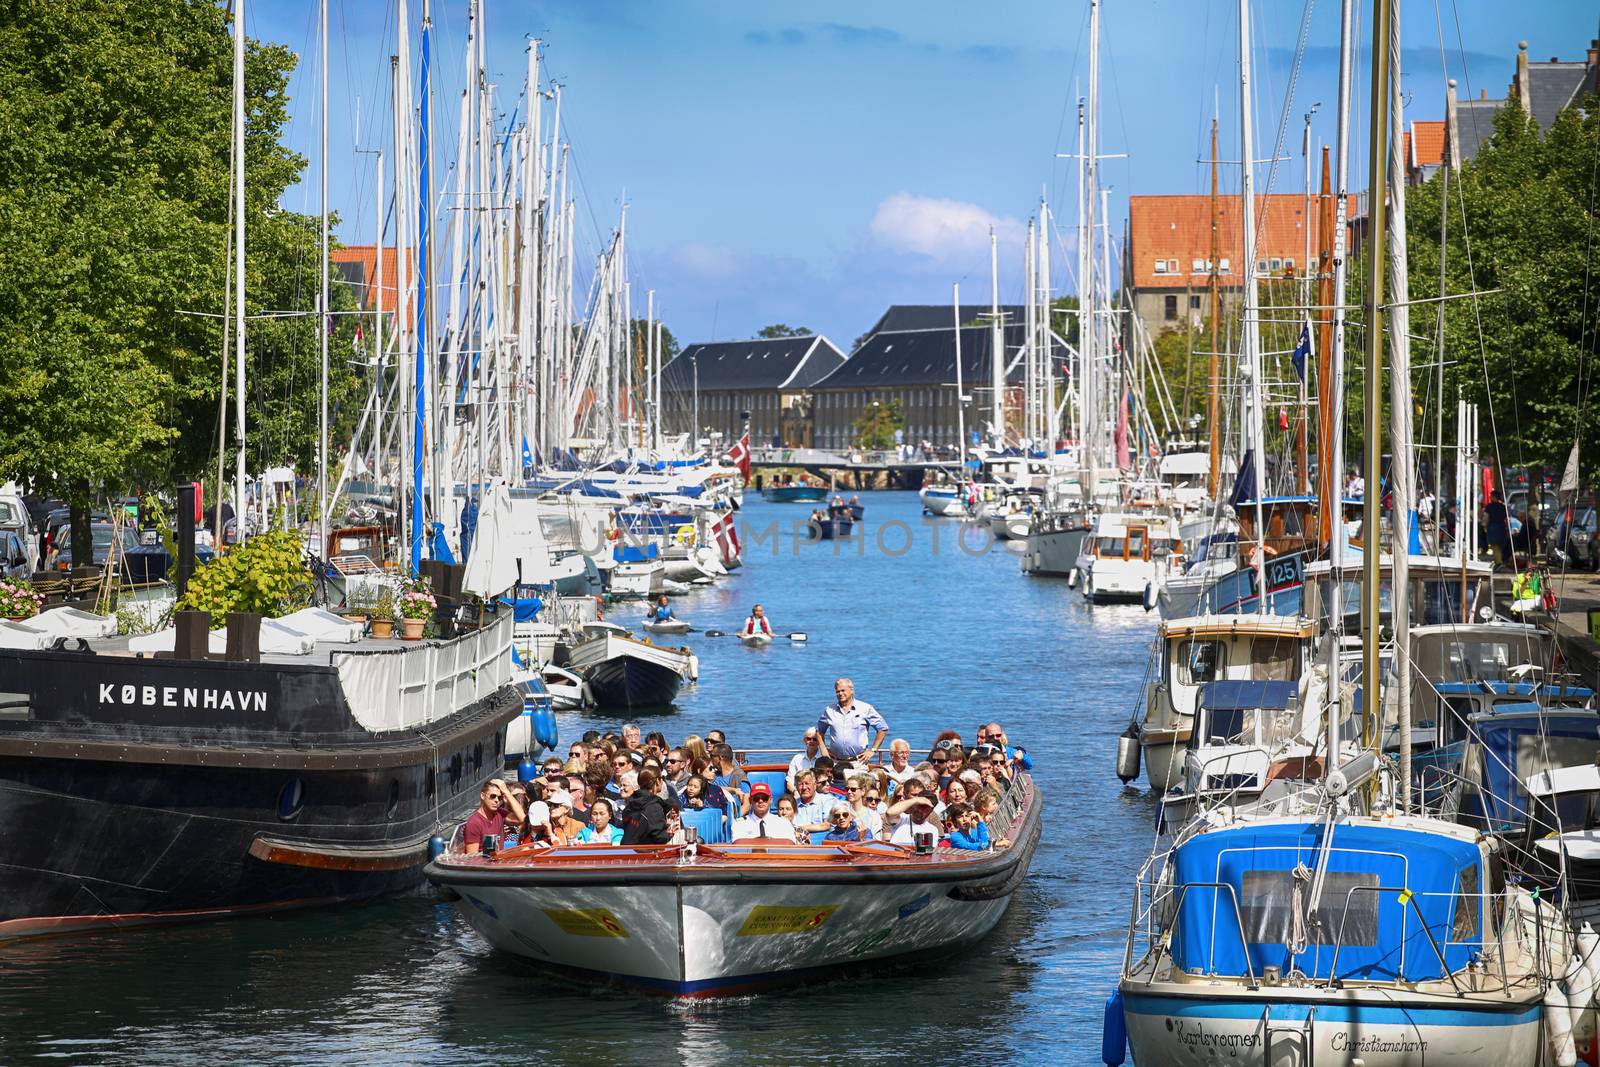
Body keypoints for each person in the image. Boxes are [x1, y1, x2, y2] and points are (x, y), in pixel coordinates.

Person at [816, 677, 889, 762]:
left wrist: (872, 750)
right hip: (835, 761)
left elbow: (883, 728)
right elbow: (819, 731)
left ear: (852, 691)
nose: (840, 693)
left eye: (843, 690)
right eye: (837, 691)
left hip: (858, 762)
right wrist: (823, 749)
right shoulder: (829, 710)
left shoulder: (865, 708)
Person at [463, 778, 524, 854]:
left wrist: (506, 791)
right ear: (482, 795)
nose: (496, 800)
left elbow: (522, 819)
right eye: (493, 796)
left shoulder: (500, 814)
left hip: (499, 862)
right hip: (484, 864)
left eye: (500, 798)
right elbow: (471, 857)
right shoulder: (474, 823)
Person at [620, 769, 673, 845]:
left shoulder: (631, 802)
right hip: (643, 853)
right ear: (658, 781)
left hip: (627, 849)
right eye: (662, 779)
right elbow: (660, 838)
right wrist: (671, 833)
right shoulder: (653, 806)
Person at [790, 769, 837, 835]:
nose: (804, 787)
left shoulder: (827, 800)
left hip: (821, 841)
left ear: (814, 785)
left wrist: (800, 828)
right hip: (797, 841)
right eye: (800, 784)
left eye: (807, 783)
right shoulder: (792, 804)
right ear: (796, 787)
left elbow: (827, 825)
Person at [1485, 490, 1512, 568]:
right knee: (1500, 545)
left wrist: (1485, 525)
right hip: (1502, 527)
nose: (1490, 498)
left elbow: (1486, 517)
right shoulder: (1503, 507)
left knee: (1494, 545)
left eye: (1491, 497)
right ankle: (1499, 561)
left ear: (1493, 497)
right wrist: (1507, 528)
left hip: (1493, 527)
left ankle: (1499, 562)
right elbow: (1507, 519)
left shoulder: (1489, 507)